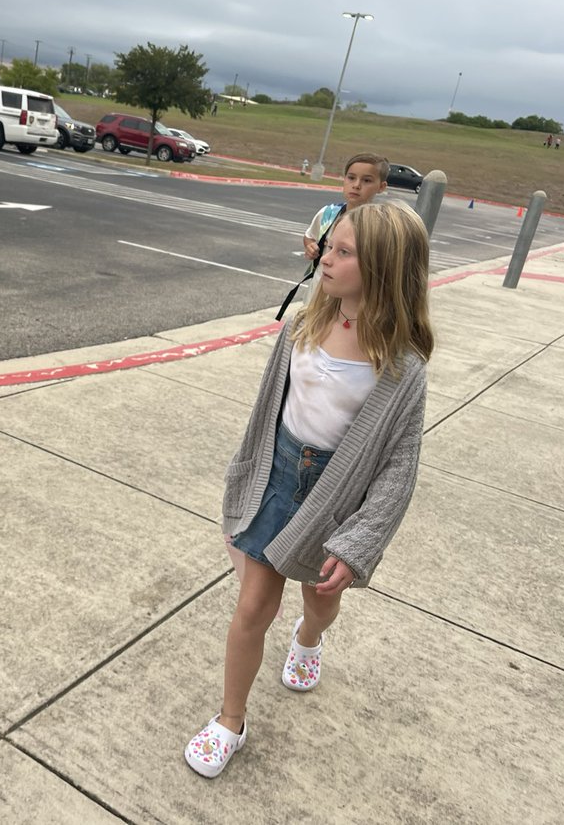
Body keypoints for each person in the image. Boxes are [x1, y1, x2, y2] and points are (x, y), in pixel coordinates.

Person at [185, 200, 434, 779]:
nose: (327, 256)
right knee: (252, 606)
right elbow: (267, 413)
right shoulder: (302, 324)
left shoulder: (401, 370)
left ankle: (309, 638)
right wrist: (243, 475)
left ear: (385, 270)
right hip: (278, 481)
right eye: (329, 245)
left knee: (320, 601)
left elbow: (399, 468)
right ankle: (230, 720)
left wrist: (359, 543)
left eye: (344, 252)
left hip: (337, 500)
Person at [274, 152, 388, 321]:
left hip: (351, 305)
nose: (356, 185)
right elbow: (310, 236)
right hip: (316, 296)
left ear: (381, 187)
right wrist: (310, 246)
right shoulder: (328, 213)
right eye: (351, 178)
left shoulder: (380, 226)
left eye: (367, 180)